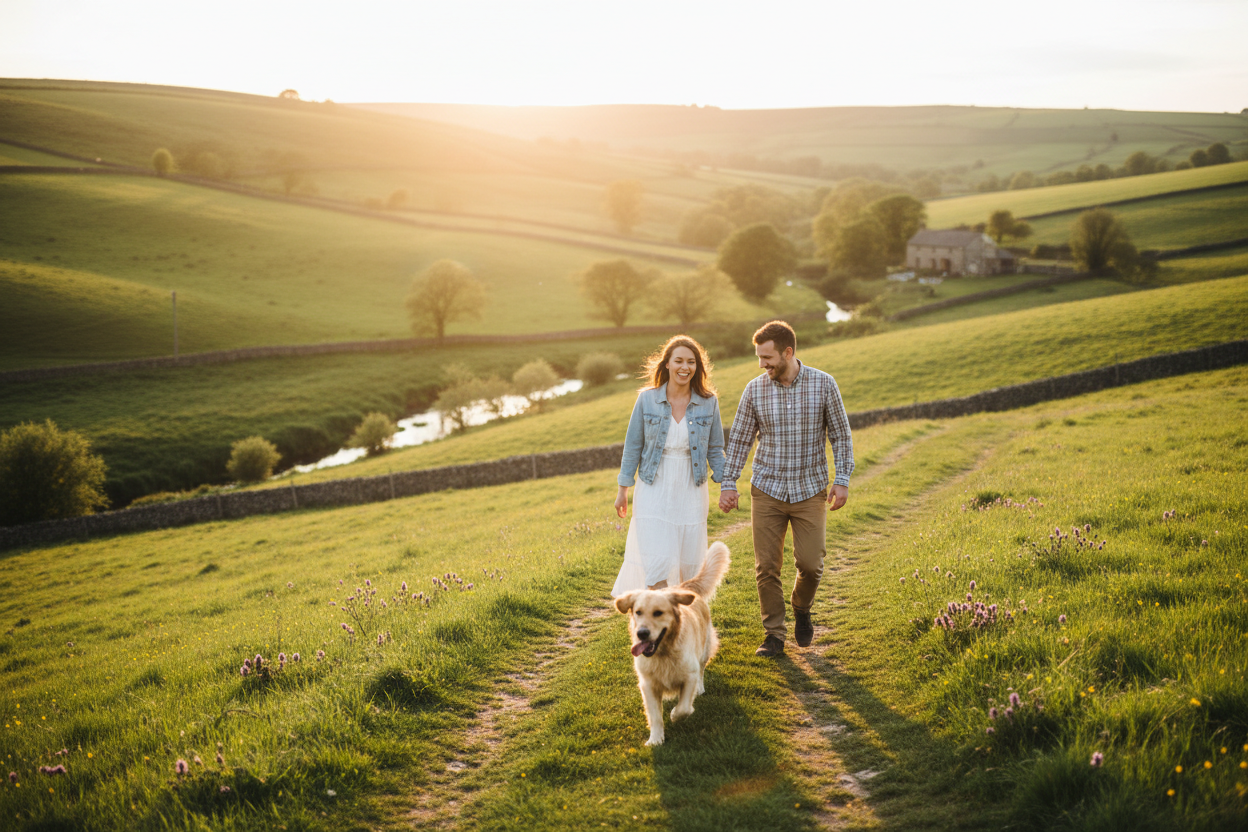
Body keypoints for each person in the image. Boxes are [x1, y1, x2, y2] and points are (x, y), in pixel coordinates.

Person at [718, 320, 854, 657]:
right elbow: (740, 440)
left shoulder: (824, 384)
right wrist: (728, 482)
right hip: (767, 489)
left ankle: (802, 609)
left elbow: (840, 435)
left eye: (767, 357)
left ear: (788, 352)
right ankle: (774, 635)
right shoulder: (754, 390)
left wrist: (842, 479)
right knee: (767, 567)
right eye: (759, 358)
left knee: (811, 564)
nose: (761, 365)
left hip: (810, 489)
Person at [612, 335, 725, 595]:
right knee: (657, 561)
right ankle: (656, 627)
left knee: (689, 567)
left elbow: (715, 449)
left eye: (691, 362)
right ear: (667, 364)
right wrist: (623, 489)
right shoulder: (647, 400)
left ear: (698, 367)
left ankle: (685, 626)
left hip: (691, 488)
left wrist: (726, 484)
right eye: (679, 361)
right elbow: (632, 447)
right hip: (653, 487)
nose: (685, 367)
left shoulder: (709, 402)